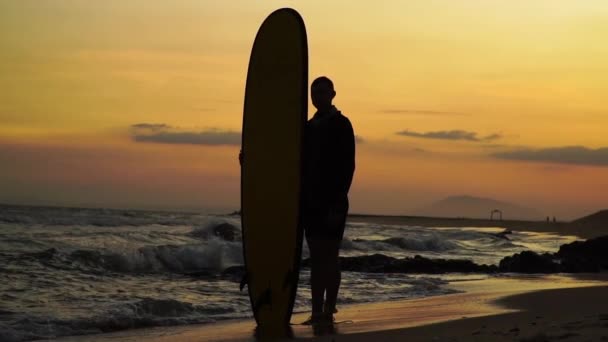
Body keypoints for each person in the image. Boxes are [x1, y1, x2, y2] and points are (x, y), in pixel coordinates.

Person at [302, 76, 355, 325]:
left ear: (333, 94)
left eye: (323, 92)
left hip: (333, 201)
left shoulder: (342, 124)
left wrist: (336, 202)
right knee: (316, 258)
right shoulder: (307, 128)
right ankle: (315, 312)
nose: (318, 97)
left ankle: (329, 308)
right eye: (315, 93)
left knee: (329, 256)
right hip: (310, 202)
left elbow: (348, 167)